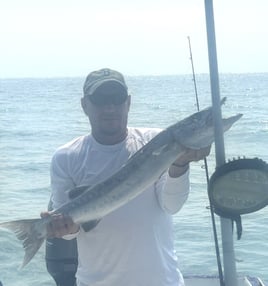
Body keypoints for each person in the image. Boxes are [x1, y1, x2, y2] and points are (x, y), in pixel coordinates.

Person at [43, 68, 211, 286]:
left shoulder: (156, 141)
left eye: (117, 98)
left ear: (129, 102)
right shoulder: (66, 157)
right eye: (100, 100)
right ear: (84, 105)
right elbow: (70, 232)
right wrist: (61, 227)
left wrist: (180, 163)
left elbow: (171, 205)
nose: (110, 107)